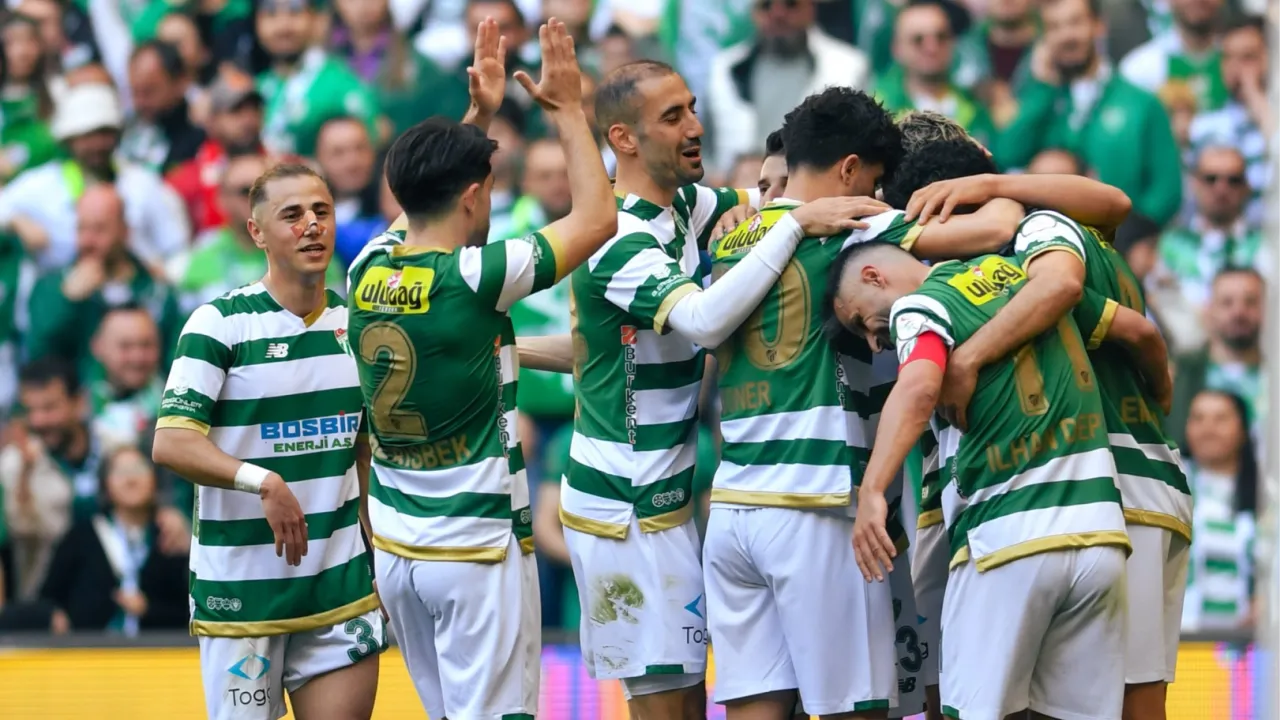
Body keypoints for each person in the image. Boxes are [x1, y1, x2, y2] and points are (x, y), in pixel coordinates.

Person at [559, 63, 891, 714]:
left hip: (672, 499)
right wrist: (794, 224)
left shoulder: (687, 206)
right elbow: (707, 322)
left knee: (700, 700)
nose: (695, 127)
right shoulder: (616, 237)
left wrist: (785, 205)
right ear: (624, 140)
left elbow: (776, 195)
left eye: (692, 107)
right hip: (619, 514)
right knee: (668, 707)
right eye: (673, 117)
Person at [346, 19, 615, 720]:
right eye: (488, 189)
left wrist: (478, 118)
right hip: (474, 549)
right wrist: (568, 108)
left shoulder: (367, 266)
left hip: (399, 553)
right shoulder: (476, 275)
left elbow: (426, 197)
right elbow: (597, 218)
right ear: (472, 196)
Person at [830, 240, 1130, 720]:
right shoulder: (1026, 273)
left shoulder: (920, 305)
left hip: (1008, 538)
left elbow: (920, 386)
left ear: (873, 276)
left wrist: (872, 490)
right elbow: (1139, 332)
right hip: (1101, 535)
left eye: (860, 321)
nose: (872, 341)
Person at [925, 194, 1186, 719]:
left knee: (1121, 698)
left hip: (1109, 484)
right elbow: (1144, 334)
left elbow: (1123, 322)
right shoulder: (1097, 246)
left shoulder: (1028, 271)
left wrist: (968, 358)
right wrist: (1160, 391)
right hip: (1143, 480)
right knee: (1116, 695)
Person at [703, 87, 907, 720]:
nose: (874, 195)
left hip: (733, 507)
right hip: (814, 503)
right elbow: (990, 232)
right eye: (873, 181)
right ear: (850, 169)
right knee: (857, 709)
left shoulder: (731, 240)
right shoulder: (860, 228)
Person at [152, 162, 383, 720]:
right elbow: (171, 442)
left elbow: (363, 449)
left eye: (322, 211)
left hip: (338, 585)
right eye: (293, 214)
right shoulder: (219, 323)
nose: (312, 225)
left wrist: (381, 546)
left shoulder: (357, 326)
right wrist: (263, 482)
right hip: (243, 595)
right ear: (256, 232)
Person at [37, 445, 188, 634]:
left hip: (161, 649)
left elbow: (187, 612)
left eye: (139, 469)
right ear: (105, 484)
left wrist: (148, 610)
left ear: (155, 479)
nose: (131, 479)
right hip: (89, 648)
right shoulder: (82, 537)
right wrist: (57, 618)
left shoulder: (170, 537)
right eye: (120, 472)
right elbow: (48, 599)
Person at [255, 0, 381, 156]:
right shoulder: (257, 87)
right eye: (270, 14)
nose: (283, 26)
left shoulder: (341, 84)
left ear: (318, 20)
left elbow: (372, 142)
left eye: (295, 12)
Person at [1181, 389, 1257, 631]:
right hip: (1181, 637)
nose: (1208, 429)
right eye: (1198, 418)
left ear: (1243, 430)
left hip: (1246, 642)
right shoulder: (1170, 482)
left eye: (1220, 419)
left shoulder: (1267, 494)